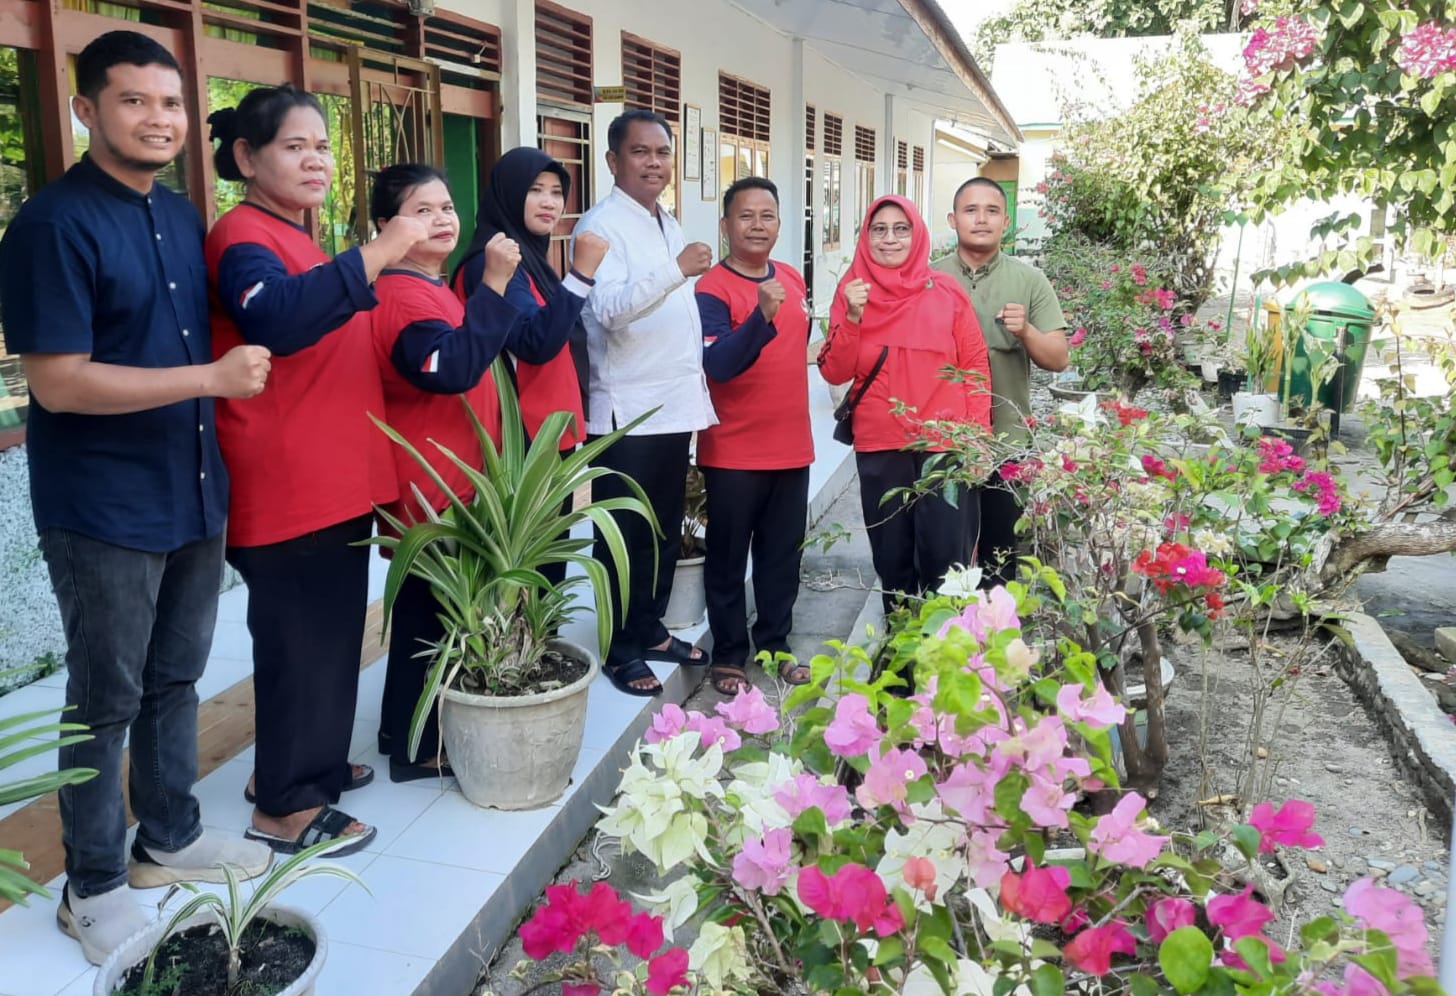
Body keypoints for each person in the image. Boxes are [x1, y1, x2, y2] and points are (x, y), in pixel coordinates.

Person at [0, 30, 274, 964]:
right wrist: (209, 380)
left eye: (170, 105)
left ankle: (170, 837)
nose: (158, 120)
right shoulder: (51, 224)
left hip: (190, 486)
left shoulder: (177, 214)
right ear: (86, 110)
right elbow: (59, 382)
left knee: (177, 677)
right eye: (134, 101)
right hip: (103, 505)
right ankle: (93, 883)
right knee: (103, 696)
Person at [206, 85, 427, 856]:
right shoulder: (241, 235)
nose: (316, 161)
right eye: (295, 146)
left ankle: (307, 767)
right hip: (288, 481)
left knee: (331, 636)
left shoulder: (298, 234)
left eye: (323, 147)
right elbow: (277, 318)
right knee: (300, 641)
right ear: (246, 157)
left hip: (334, 476)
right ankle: (285, 805)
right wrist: (382, 249)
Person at [574, 108, 717, 697]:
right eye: (641, 152)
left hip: (672, 403)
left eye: (662, 152)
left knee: (659, 528)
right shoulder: (601, 225)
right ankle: (618, 648)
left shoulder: (665, 219)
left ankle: (650, 628)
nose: (654, 162)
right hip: (627, 410)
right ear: (612, 161)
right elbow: (607, 310)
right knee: (623, 534)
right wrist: (675, 270)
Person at [818, 194, 992, 614]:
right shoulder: (852, 292)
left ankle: (946, 663)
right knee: (892, 560)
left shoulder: (947, 292)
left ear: (917, 235)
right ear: (866, 236)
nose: (890, 239)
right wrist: (854, 317)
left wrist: (978, 439)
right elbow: (834, 371)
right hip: (882, 446)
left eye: (901, 229)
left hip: (944, 446)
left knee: (948, 562)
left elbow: (974, 367)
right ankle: (900, 664)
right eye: (879, 230)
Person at [693, 177, 813, 696]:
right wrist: (760, 316)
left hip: (792, 444)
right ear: (725, 226)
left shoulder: (792, 278)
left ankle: (776, 645)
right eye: (746, 215)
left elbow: (801, 345)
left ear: (780, 224)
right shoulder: (710, 289)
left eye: (768, 215)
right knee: (726, 556)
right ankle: (729, 655)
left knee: (782, 555)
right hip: (734, 449)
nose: (758, 224)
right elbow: (717, 364)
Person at [932, 177, 1068, 586]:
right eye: (971, 210)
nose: (981, 219)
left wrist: (1025, 330)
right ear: (953, 219)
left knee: (999, 557)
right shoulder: (929, 280)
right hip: (943, 439)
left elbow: (1058, 358)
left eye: (992, 211)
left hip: (1007, 441)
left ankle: (993, 642)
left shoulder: (1029, 281)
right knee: (943, 553)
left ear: (1006, 222)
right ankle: (943, 641)